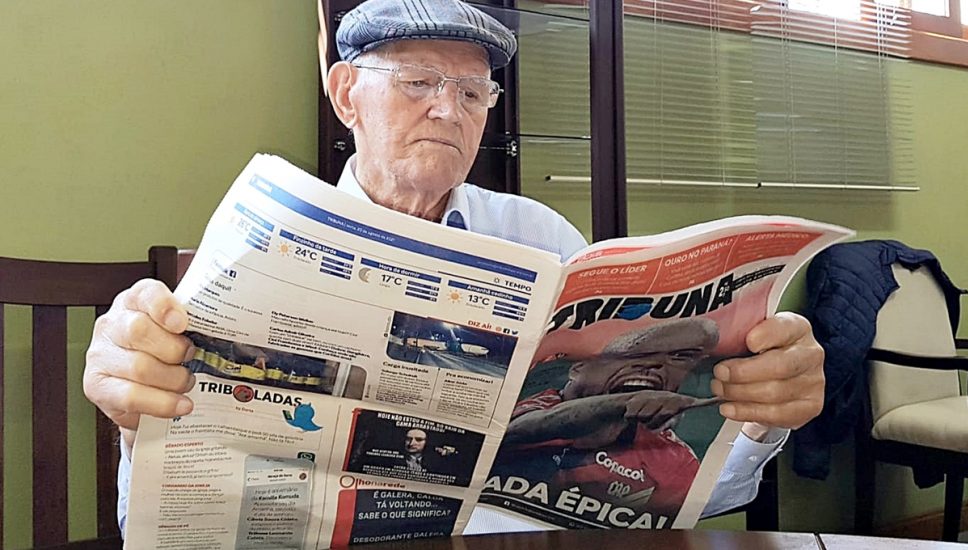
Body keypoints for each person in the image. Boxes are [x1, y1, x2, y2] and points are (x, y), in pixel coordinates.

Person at [82, 0, 826, 536]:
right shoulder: (264, 245)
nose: (449, 110)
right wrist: (136, 413)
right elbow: (160, 514)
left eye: (473, 92)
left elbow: (688, 495)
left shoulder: (542, 239)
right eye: (418, 82)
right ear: (346, 95)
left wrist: (757, 418)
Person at [495, 318, 720, 521]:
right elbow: (522, 429)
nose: (654, 366)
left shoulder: (675, 459)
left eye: (676, 359)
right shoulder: (541, 404)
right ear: (578, 369)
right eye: (634, 355)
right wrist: (629, 401)